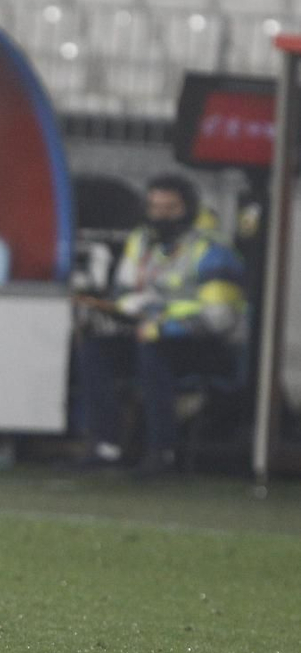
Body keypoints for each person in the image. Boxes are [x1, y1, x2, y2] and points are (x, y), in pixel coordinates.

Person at [74, 174, 246, 476]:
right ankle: (106, 447)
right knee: (95, 349)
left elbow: (220, 319)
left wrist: (163, 327)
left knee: (153, 352)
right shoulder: (141, 240)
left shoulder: (213, 249)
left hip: (207, 347)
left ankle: (161, 453)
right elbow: (124, 292)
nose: (161, 215)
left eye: (170, 208)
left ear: (188, 209)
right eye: (155, 207)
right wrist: (121, 309)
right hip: (149, 335)